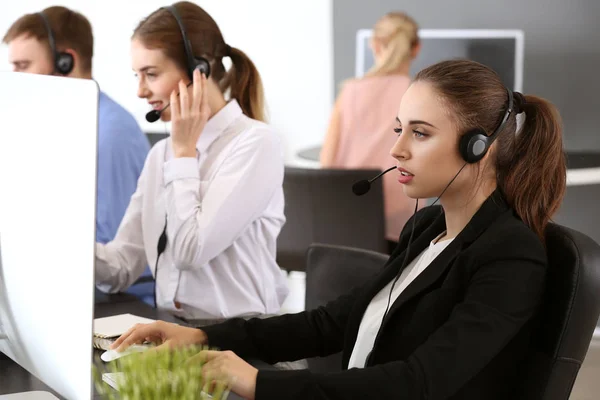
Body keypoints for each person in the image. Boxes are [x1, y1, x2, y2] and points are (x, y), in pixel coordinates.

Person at [112, 59, 567, 399]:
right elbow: (334, 322)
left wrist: (258, 383)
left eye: (421, 133)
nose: (397, 150)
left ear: (478, 148)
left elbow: (420, 382)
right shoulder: (429, 227)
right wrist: (207, 335)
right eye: (398, 129)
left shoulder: (511, 255)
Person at [94, 1, 289, 322]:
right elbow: (121, 267)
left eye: (151, 74)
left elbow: (190, 251)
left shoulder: (255, 144)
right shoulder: (161, 155)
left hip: (244, 342)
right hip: (173, 334)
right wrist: (61, 237)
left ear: (199, 71)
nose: (141, 90)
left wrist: (184, 155)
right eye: (137, 75)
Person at [3, 6, 150, 244]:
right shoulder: (53, 128)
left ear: (65, 62)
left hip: (109, 280)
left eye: (23, 66)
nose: (14, 77)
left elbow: (113, 247)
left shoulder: (109, 133)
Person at [320, 12, 423, 251]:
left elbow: (327, 162)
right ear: (416, 48)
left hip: (347, 213)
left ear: (374, 45)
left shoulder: (350, 91)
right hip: (399, 222)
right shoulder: (418, 94)